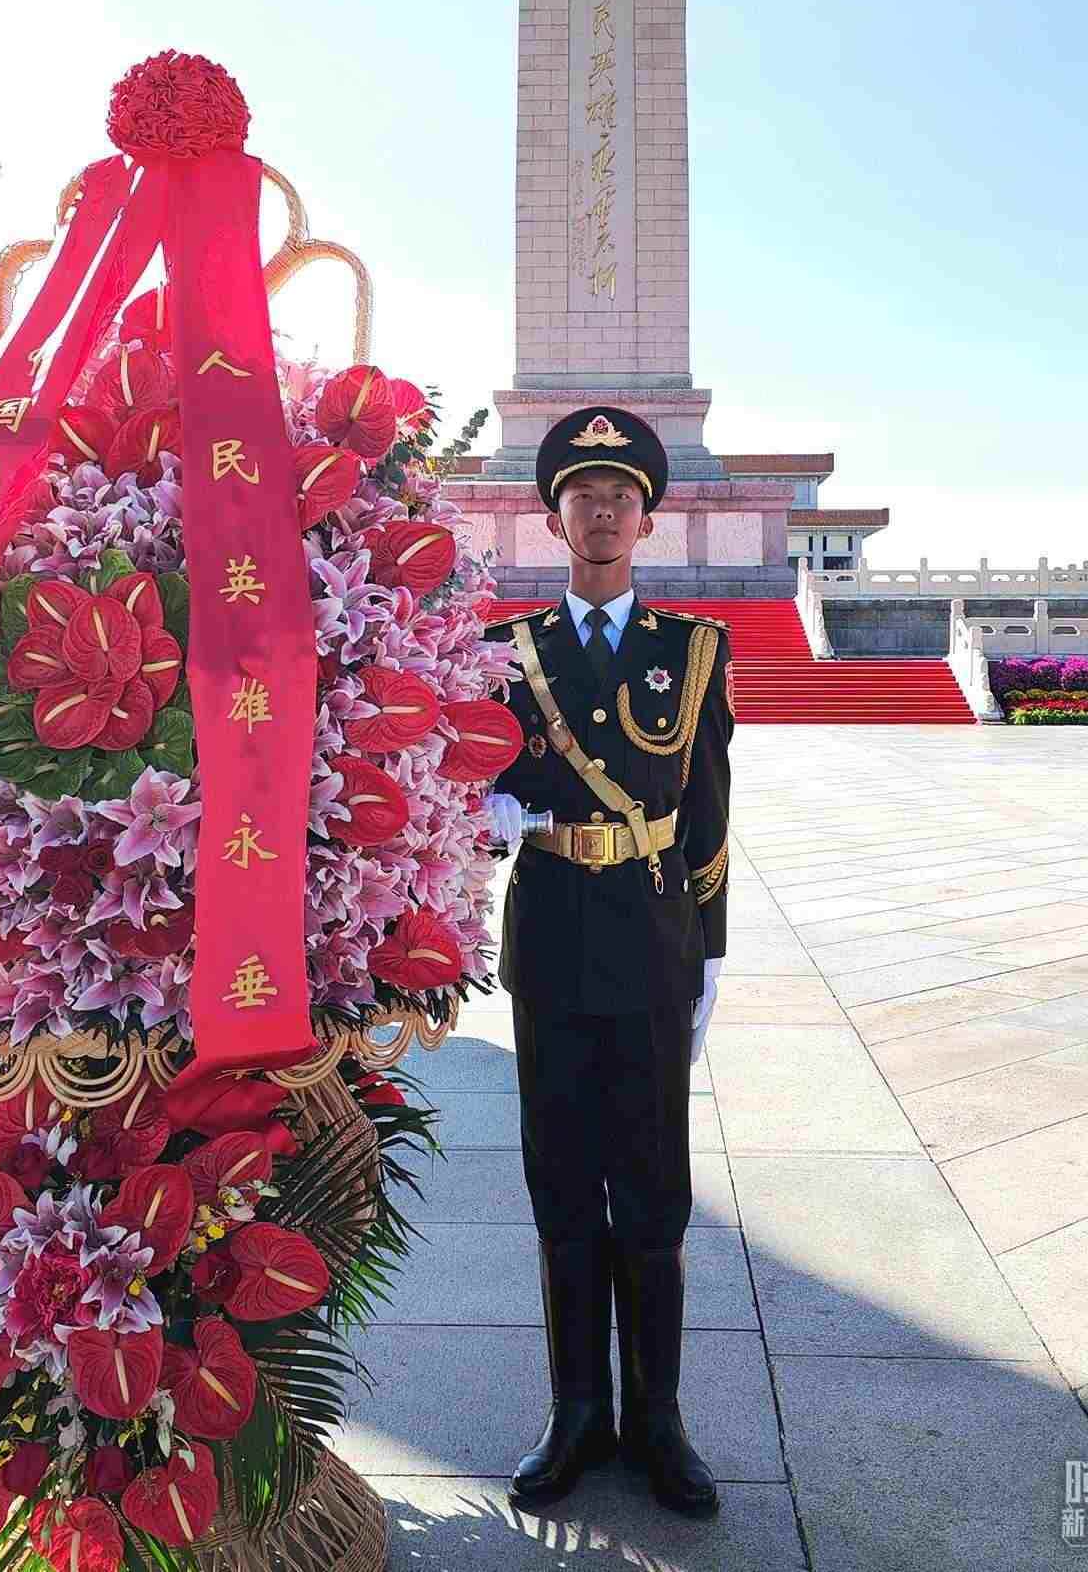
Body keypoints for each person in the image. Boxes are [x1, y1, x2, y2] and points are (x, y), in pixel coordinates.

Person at [481, 405, 733, 1518]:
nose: (600, 512)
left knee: (652, 1188)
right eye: (581, 497)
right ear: (553, 520)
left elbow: (709, 808)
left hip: (650, 935)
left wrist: (710, 952)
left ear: (644, 519)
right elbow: (469, 779)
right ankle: (576, 1411)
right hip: (548, 936)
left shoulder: (692, 650)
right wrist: (483, 810)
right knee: (561, 1185)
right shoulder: (508, 652)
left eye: (618, 497)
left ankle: (657, 1419)